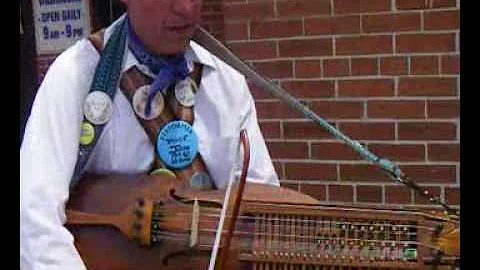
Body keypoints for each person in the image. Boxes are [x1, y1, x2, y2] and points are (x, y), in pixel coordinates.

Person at [20, 0, 279, 269]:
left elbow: (266, 215)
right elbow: (33, 217)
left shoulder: (227, 82)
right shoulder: (76, 75)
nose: (187, 9)